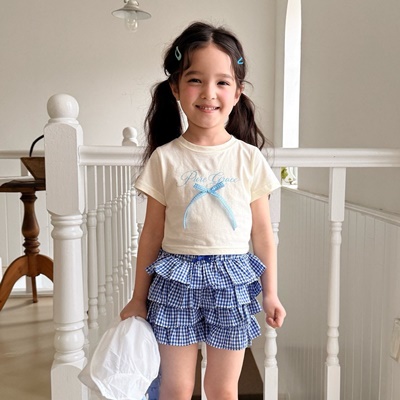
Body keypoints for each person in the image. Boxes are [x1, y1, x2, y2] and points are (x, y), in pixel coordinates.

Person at [120, 21, 286, 400]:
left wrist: (271, 293)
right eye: (195, 80)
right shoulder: (165, 159)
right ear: (176, 88)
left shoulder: (249, 159)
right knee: (176, 388)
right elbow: (151, 234)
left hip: (232, 282)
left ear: (237, 92)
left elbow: (263, 234)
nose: (209, 93)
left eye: (222, 82)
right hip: (175, 282)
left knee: (222, 389)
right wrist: (138, 297)